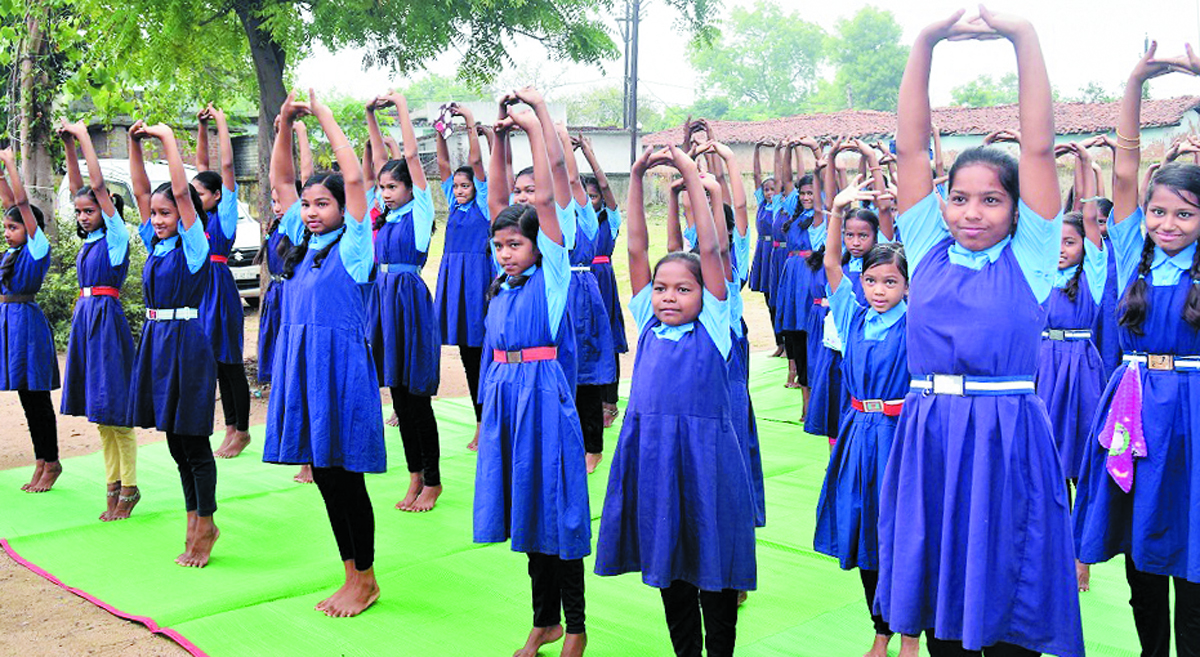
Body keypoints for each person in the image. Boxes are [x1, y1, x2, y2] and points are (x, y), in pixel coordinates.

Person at [874, 9, 1084, 656]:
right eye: (960, 197)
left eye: (991, 199)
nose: (972, 211)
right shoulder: (926, 245)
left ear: (1020, 209)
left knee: (1009, 587)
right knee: (941, 603)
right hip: (930, 431)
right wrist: (927, 40)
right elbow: (911, 147)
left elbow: (1040, 148)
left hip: (1007, 434)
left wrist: (1023, 35)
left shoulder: (1031, 255)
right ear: (942, 202)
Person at [596, 143, 754, 657]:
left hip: (706, 456)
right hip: (655, 455)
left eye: (682, 290)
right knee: (669, 563)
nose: (667, 296)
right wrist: (638, 177)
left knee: (716, 565)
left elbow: (710, 252)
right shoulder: (647, 318)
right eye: (662, 289)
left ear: (705, 295)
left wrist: (688, 171)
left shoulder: (715, 322)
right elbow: (637, 250)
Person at [1073, 44, 1200, 657]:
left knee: (1194, 551)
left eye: (1184, 213)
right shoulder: (1127, 248)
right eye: (1157, 211)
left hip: (1195, 418)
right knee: (1141, 546)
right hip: (1134, 413)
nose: (1167, 223)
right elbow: (1124, 169)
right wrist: (1134, 82)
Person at [474, 89, 589, 657]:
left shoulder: (554, 275)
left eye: (515, 244)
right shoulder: (502, 284)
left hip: (544, 399)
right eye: (499, 245)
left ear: (539, 245)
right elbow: (500, 200)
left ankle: (575, 627)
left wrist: (538, 121)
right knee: (525, 512)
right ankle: (541, 619)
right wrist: (497, 138)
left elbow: (546, 195)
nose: (505, 252)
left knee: (558, 514)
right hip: (504, 398)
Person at [263, 89, 385, 618]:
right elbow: (281, 182)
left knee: (345, 476)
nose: (311, 211)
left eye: (323, 204)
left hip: (340, 370)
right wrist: (286, 121)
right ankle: (350, 573)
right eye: (308, 205)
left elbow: (355, 178)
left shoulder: (356, 246)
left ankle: (367, 578)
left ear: (343, 209)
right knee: (326, 477)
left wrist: (325, 115)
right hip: (302, 365)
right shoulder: (299, 242)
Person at [813, 176, 917, 657]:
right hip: (858, 433)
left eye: (890, 281)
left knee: (905, 532)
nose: (879, 289)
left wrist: (897, 212)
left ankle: (912, 632)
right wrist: (837, 209)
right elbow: (832, 263)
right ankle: (880, 629)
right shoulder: (852, 314)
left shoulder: (918, 321)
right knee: (863, 532)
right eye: (872, 280)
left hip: (902, 435)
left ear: (907, 285)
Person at [126, 120, 220, 568]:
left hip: (187, 343)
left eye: (166, 215)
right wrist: (133, 145)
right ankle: (192, 520)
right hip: (157, 344)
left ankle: (206, 524)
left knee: (194, 441)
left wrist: (166, 139)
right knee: (174, 443)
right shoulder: (156, 245)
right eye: (156, 216)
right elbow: (143, 193)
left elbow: (182, 195)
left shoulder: (194, 246)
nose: (159, 220)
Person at [366, 90, 444, 512]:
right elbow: (383, 160)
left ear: (411, 188)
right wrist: (369, 117)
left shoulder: (418, 212)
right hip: (383, 303)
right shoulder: (386, 213)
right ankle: (413, 476)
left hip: (408, 303)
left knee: (416, 398)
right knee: (397, 395)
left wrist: (398, 107)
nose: (387, 192)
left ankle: (432, 480)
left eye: (394, 186)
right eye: (383, 187)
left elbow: (410, 158)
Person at [58, 120, 139, 519]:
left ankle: (129, 487)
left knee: (116, 410)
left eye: (91, 210)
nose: (84, 215)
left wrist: (84, 138)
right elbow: (79, 187)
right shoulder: (88, 240)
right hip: (86, 321)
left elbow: (95, 185)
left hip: (106, 322)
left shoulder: (115, 236)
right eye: (80, 211)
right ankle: (111, 484)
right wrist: (68, 147)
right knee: (100, 413)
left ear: (106, 211)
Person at [193, 105, 252, 460]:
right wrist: (201, 129)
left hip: (220, 288)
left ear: (217, 196)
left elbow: (224, 169)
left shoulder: (224, 215)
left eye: (202, 193)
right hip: (200, 290)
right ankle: (229, 427)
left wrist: (220, 123)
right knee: (214, 363)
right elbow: (200, 170)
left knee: (230, 363)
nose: (196, 198)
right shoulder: (197, 216)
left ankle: (241, 429)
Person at [0, 147, 60, 494]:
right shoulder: (13, 251)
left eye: (13, 227)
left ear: (30, 228)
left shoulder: (36, 248)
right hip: (12, 324)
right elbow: (10, 203)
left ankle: (51, 460)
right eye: (5, 227)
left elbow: (21, 205)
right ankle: (42, 459)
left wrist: (10, 162)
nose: (7, 231)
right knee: (26, 397)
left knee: (37, 397)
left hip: (27, 326)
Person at [258, 118, 314, 484]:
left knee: (305, 376)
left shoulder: (302, 227)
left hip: (299, 304)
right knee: (285, 375)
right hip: (278, 301)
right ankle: (295, 447)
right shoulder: (280, 227)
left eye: (283, 200)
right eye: (274, 201)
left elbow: (296, 178)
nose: (279, 204)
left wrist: (296, 132)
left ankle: (310, 459)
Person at [433, 103, 492, 450]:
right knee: (469, 355)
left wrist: (469, 122)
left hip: (478, 284)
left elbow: (478, 164)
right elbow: (442, 164)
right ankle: (480, 420)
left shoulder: (483, 203)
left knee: (484, 351)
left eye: (464, 184)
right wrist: (442, 132)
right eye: (455, 185)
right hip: (456, 282)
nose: (459, 189)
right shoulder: (454, 206)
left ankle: (491, 419)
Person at [577, 135, 626, 429]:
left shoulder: (611, 220)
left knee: (607, 337)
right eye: (586, 197)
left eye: (593, 197)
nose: (590, 201)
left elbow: (605, 186)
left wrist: (588, 153)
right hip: (580, 280)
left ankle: (610, 401)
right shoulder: (574, 220)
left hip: (602, 280)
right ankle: (587, 397)